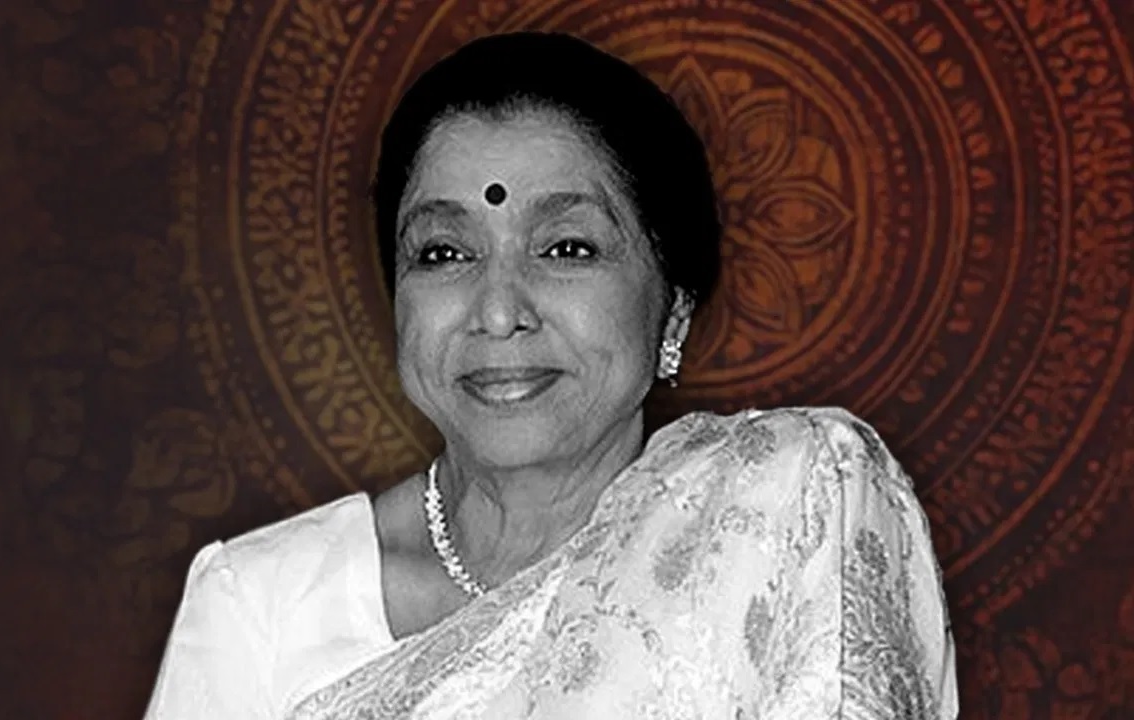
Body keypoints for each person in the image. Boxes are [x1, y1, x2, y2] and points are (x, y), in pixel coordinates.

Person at [143, 31, 959, 719]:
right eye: (444, 253)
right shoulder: (259, 603)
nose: (498, 312)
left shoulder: (790, 510)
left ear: (674, 308)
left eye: (567, 248)